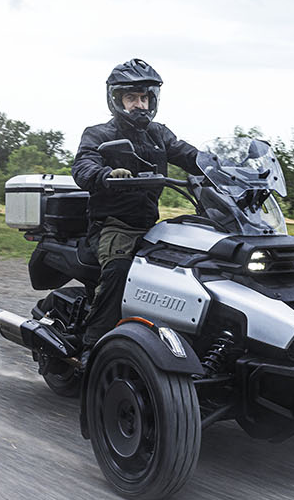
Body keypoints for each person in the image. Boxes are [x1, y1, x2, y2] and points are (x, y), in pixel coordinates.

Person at [71, 58, 201, 350]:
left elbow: (190, 156)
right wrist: (105, 174)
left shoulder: (159, 134)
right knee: (119, 271)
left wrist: (224, 168)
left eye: (144, 97)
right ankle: (93, 347)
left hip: (149, 227)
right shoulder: (99, 134)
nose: (139, 104)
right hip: (113, 225)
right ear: (116, 99)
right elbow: (83, 166)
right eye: (131, 97)